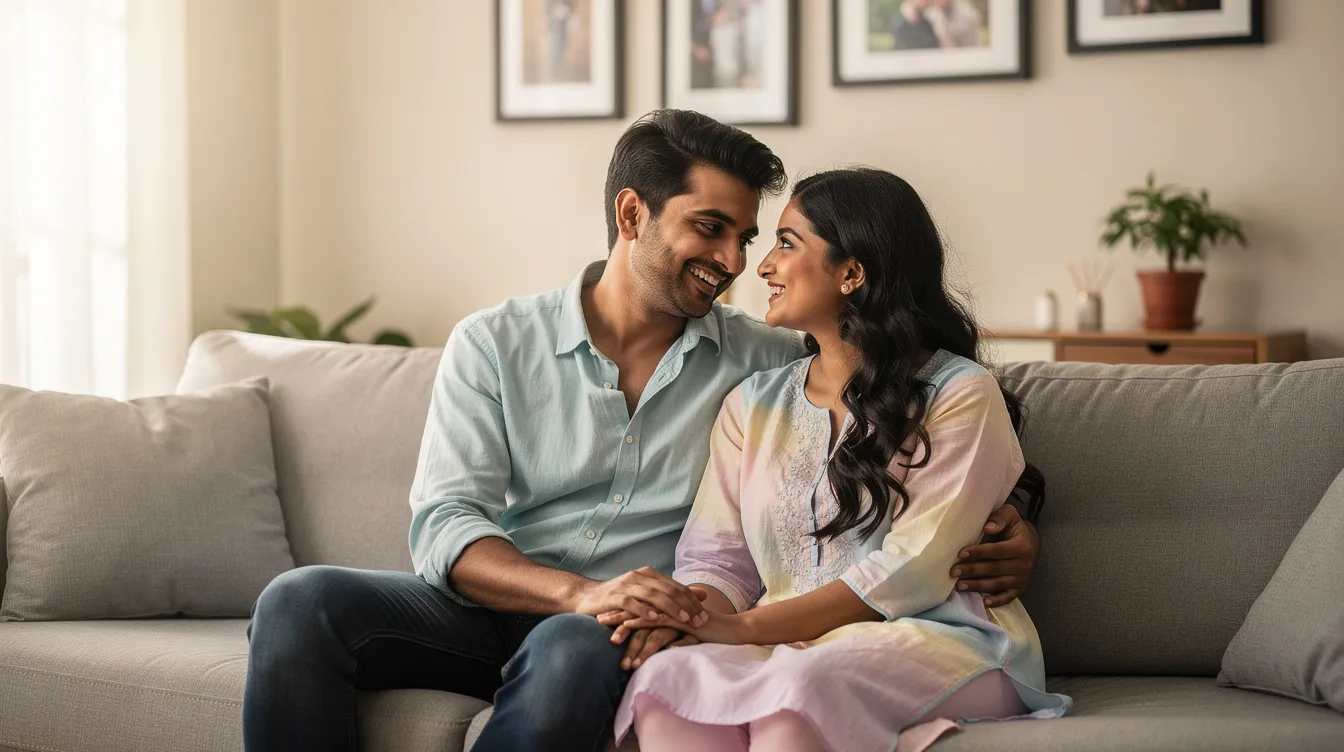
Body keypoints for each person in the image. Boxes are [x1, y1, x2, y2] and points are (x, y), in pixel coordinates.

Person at [241, 111, 1042, 752]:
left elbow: (895, 396)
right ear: (633, 213)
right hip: (506, 606)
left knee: (569, 645)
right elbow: (446, 523)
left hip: (613, 633)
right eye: (710, 228)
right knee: (299, 600)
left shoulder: (764, 362)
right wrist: (579, 592)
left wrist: (1016, 512)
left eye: (747, 238)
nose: (734, 261)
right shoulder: (494, 343)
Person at [607, 168, 1070, 751]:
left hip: (939, 640)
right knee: (669, 681)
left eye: (786, 243)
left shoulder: (958, 393)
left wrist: (740, 628)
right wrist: (689, 620)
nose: (762, 266)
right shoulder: (752, 404)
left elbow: (915, 570)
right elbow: (717, 560)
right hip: (786, 648)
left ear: (851, 273)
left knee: (796, 694)